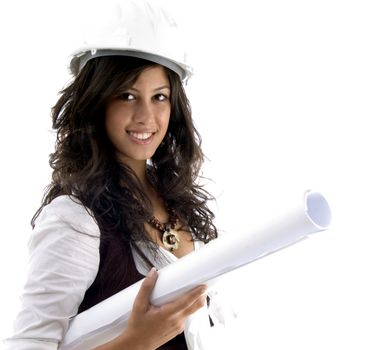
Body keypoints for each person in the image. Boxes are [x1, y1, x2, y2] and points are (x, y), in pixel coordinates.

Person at [5, 1, 233, 349]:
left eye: (159, 97)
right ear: (97, 102)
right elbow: (29, 344)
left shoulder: (177, 205)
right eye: (127, 95)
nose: (146, 116)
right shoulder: (75, 219)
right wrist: (136, 342)